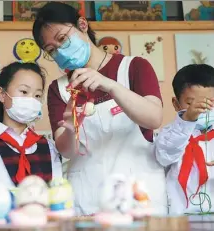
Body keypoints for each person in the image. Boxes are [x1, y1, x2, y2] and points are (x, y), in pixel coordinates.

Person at [32, 2, 166, 215]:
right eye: (51, 50)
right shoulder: (59, 89)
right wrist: (70, 126)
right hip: (88, 199)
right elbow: (66, 150)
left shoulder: (134, 67)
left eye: (62, 39)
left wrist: (111, 85)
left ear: (82, 24)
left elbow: (154, 118)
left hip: (140, 196)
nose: (59, 51)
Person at [0, 62, 62, 189]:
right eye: (24, 91)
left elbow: (57, 192)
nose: (31, 99)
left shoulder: (48, 146)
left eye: (37, 95)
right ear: (2, 94)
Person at [156, 64, 214, 214]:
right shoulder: (170, 133)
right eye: (191, 103)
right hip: (179, 214)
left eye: (210, 103)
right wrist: (187, 120)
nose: (201, 109)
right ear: (176, 104)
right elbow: (164, 156)